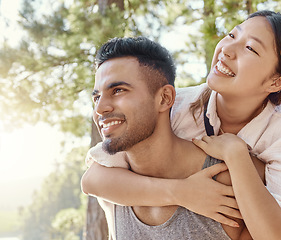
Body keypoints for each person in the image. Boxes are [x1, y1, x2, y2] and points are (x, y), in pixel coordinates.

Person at [82, 10, 281, 240]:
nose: (227, 49)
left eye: (250, 48)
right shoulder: (178, 106)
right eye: (232, 35)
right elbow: (93, 180)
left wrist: (236, 154)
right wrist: (182, 192)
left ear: (275, 82)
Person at [87, 36, 264, 240]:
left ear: (164, 98)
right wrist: (180, 192)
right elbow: (89, 182)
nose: (100, 109)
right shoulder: (112, 191)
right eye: (96, 97)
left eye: (118, 90)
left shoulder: (230, 177)